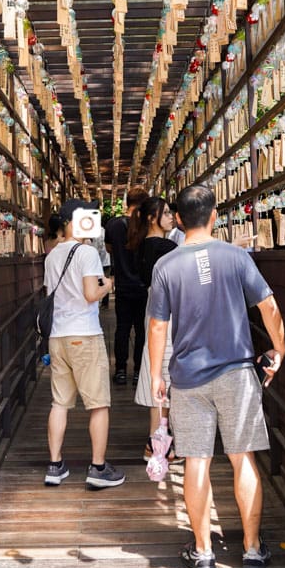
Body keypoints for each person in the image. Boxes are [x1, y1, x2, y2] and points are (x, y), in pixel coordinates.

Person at [148, 184, 285, 568]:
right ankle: (253, 550)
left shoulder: (166, 266)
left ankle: (204, 553)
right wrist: (280, 347)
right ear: (214, 215)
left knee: (197, 462)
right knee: (243, 458)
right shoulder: (235, 256)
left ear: (177, 218)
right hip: (237, 374)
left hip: (189, 378)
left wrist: (158, 374)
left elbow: (158, 325)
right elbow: (268, 305)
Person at [44, 199, 125, 490]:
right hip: (84, 334)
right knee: (98, 404)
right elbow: (91, 294)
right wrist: (109, 285)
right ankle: (98, 467)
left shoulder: (52, 255)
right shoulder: (87, 252)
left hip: (58, 336)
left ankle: (55, 466)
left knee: (59, 403)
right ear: (75, 221)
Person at [128, 197, 177, 459]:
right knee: (164, 380)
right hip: (167, 315)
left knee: (157, 375)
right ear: (151, 218)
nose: (171, 217)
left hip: (153, 310)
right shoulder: (167, 246)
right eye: (166, 213)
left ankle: (159, 444)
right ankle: (157, 446)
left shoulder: (142, 246)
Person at [104, 186, 149, 386]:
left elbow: (109, 249)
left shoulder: (113, 224)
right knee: (141, 330)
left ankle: (120, 370)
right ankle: (139, 370)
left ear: (127, 203)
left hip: (122, 284)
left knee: (122, 329)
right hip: (143, 286)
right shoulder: (147, 224)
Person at [91, 228, 111, 308]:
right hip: (106, 261)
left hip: (100, 261)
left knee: (98, 281)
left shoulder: (96, 232)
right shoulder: (105, 230)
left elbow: (96, 248)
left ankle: (101, 302)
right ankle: (104, 303)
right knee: (104, 281)